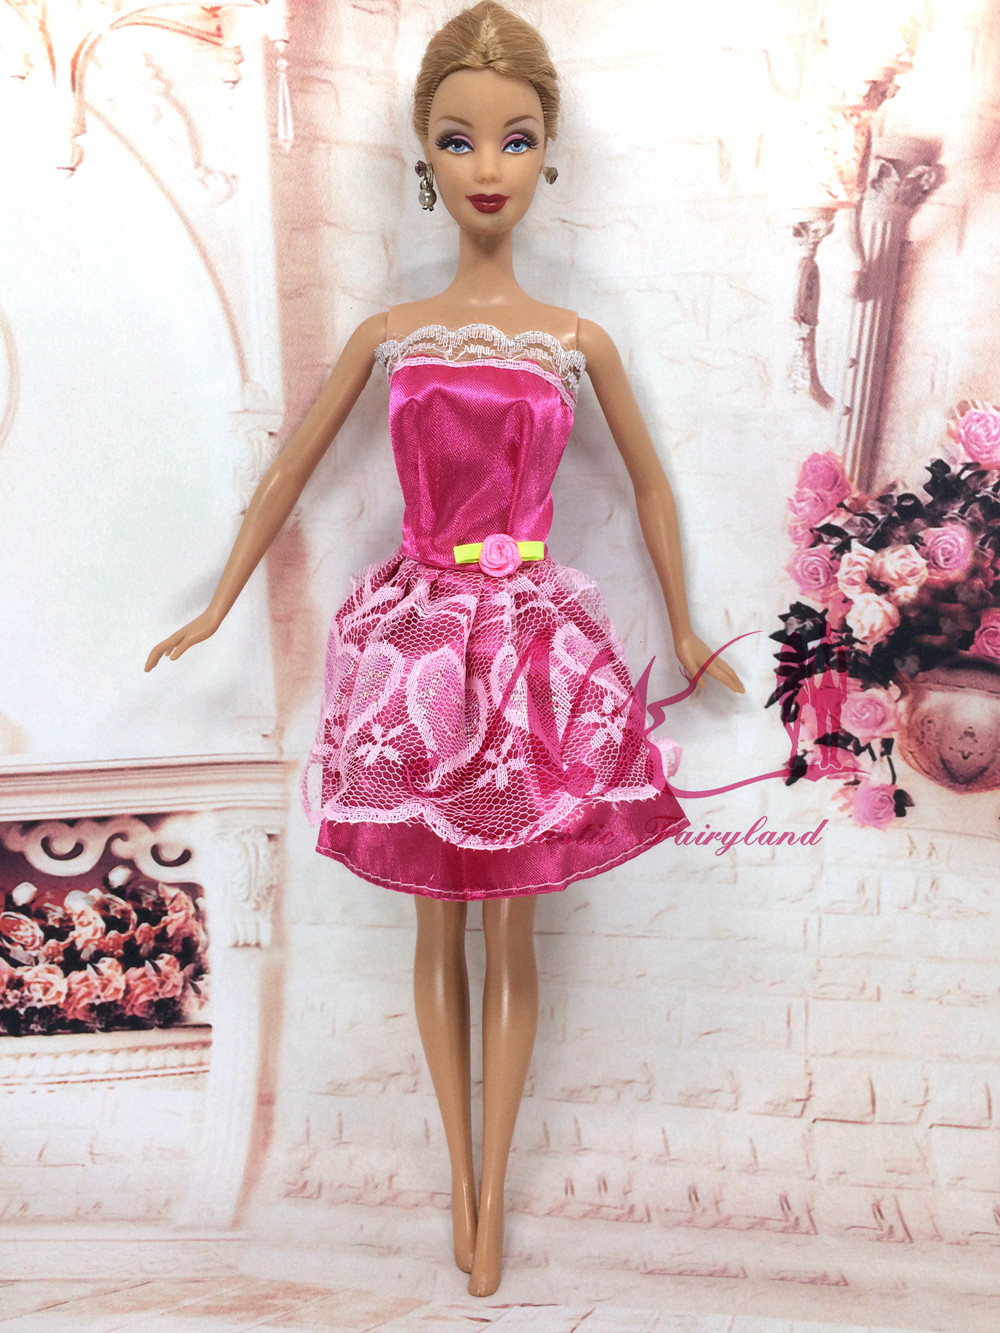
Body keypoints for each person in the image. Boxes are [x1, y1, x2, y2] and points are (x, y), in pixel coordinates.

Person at [146, 1, 743, 1297]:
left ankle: (491, 1184)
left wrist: (689, 623)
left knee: (512, 928)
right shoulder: (390, 335)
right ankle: (462, 1184)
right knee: (436, 928)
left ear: (548, 155)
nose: (488, 167)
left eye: (515, 139)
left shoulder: (575, 340)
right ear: (423, 152)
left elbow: (649, 485)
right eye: (460, 139)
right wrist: (218, 603)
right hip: (416, 643)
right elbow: (286, 478)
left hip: (526, 643)